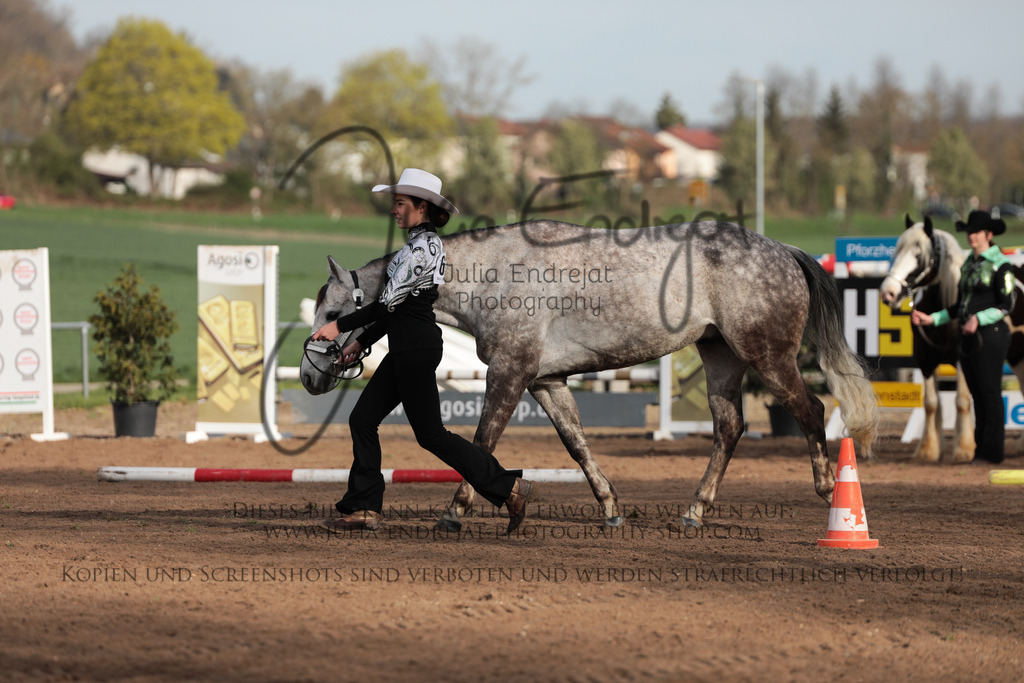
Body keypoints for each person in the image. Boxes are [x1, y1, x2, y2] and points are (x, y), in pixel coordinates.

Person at [312, 168, 534, 532]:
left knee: (431, 435)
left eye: (400, 204)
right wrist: (359, 342)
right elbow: (393, 310)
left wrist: (339, 326)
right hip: (408, 347)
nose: (394, 210)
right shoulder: (415, 249)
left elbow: (385, 307)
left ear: (422, 207)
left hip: (414, 350)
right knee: (363, 420)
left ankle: (509, 487)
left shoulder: (422, 250)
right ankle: (364, 508)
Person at [911, 210, 1016, 464]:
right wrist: (932, 319)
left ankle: (994, 452)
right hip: (968, 337)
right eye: (969, 232)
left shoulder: (1001, 265)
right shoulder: (969, 264)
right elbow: (961, 305)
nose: (971, 236)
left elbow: (1007, 303)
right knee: (978, 395)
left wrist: (979, 318)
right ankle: (981, 450)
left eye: (976, 232)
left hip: (990, 335)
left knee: (990, 393)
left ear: (989, 235)